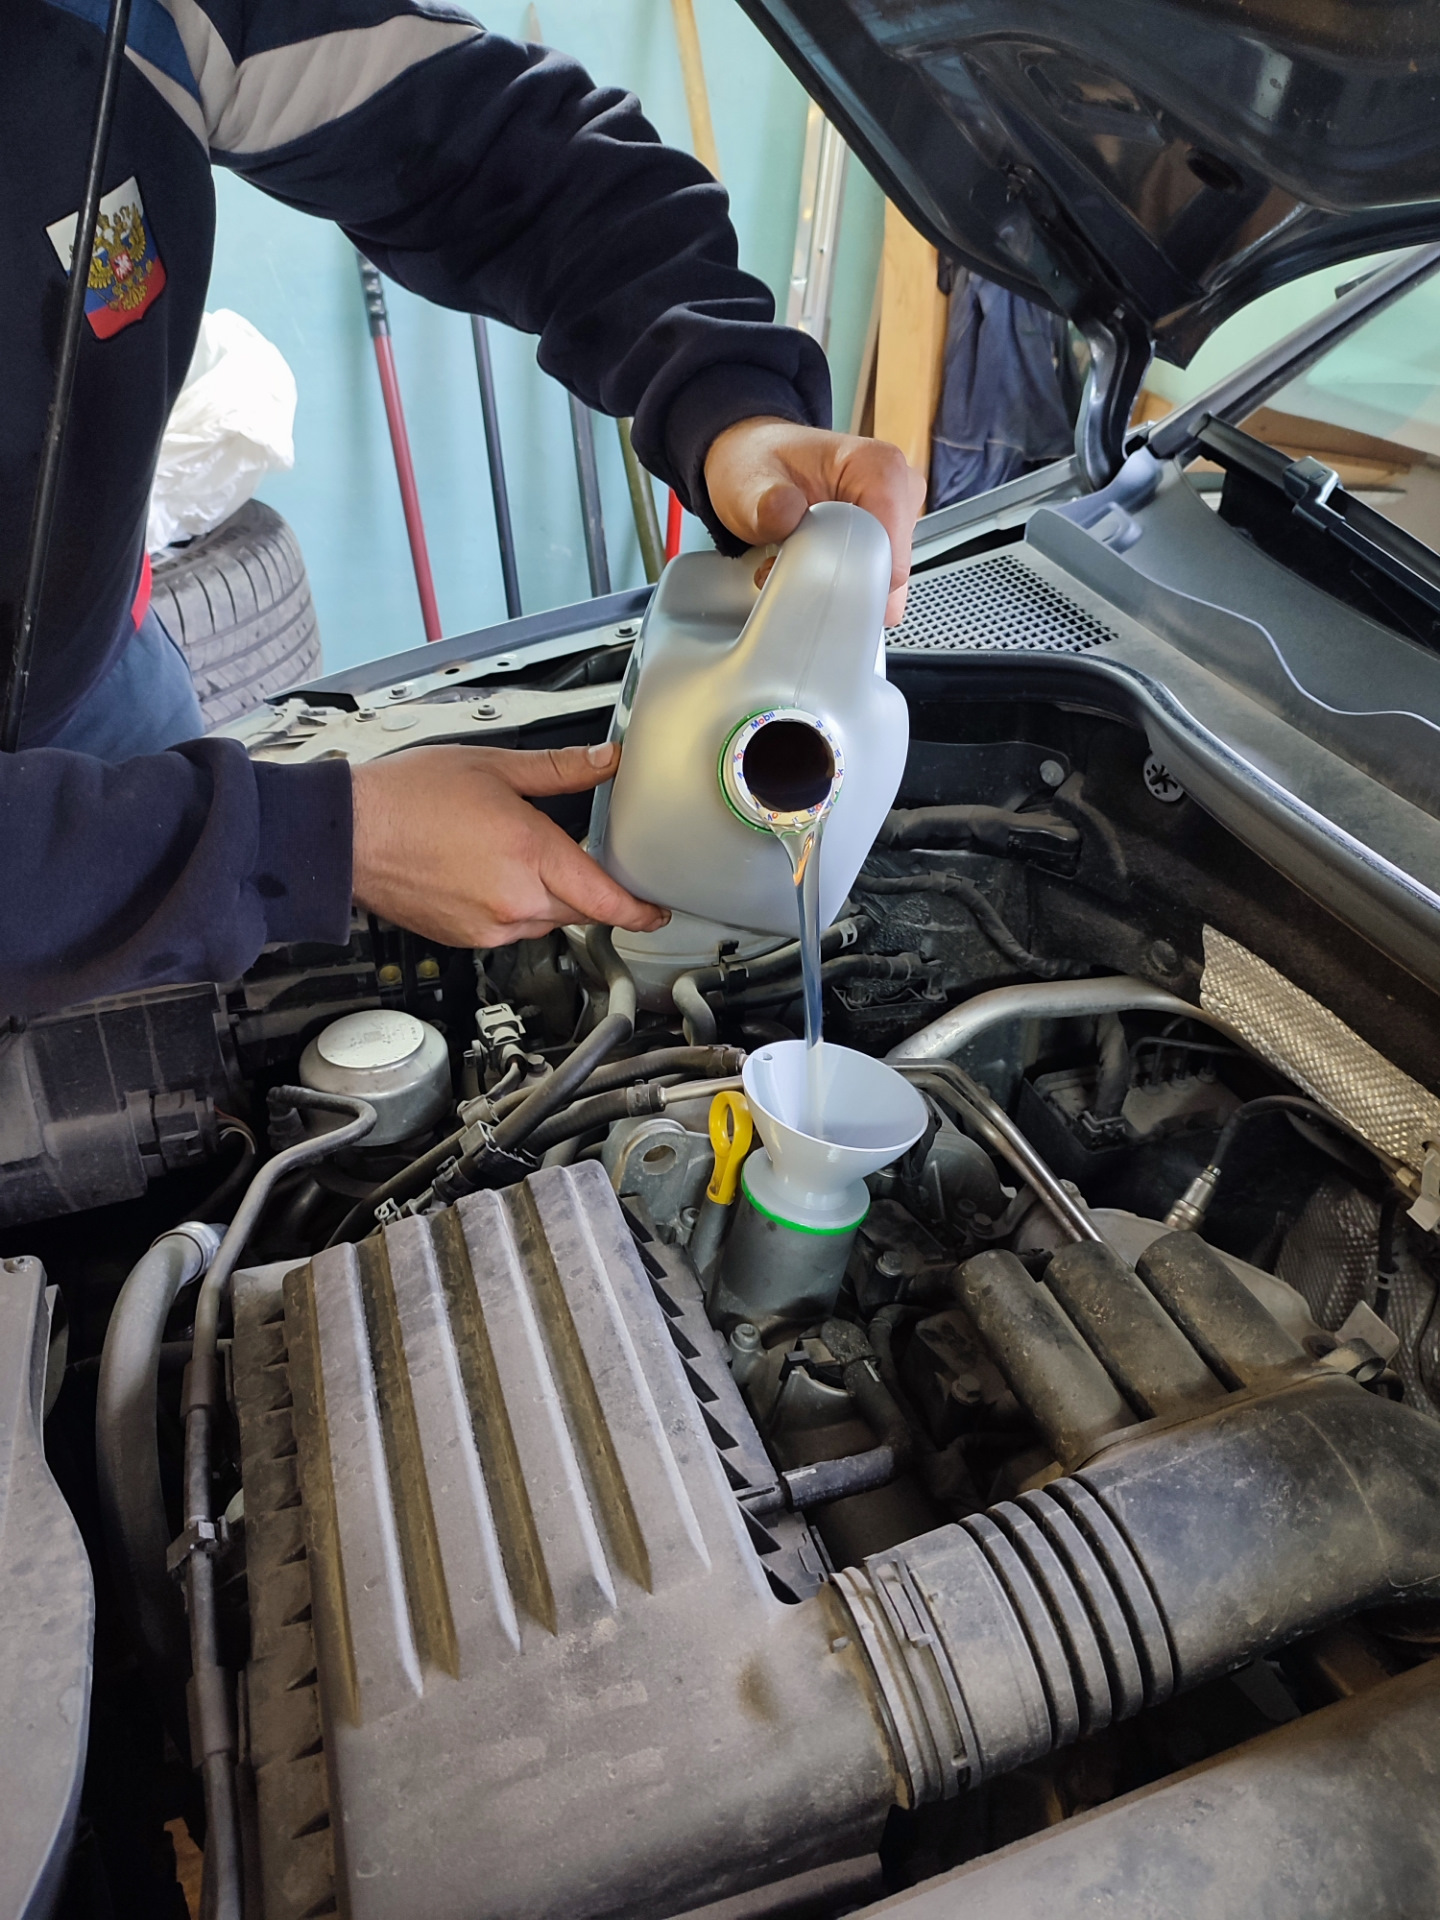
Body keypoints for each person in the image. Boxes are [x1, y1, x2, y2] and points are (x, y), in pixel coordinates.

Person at [1, 0, 924, 1014]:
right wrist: (308, 841)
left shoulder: (141, 17)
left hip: (101, 675)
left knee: (170, 1042)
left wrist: (729, 402)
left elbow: (491, 147)